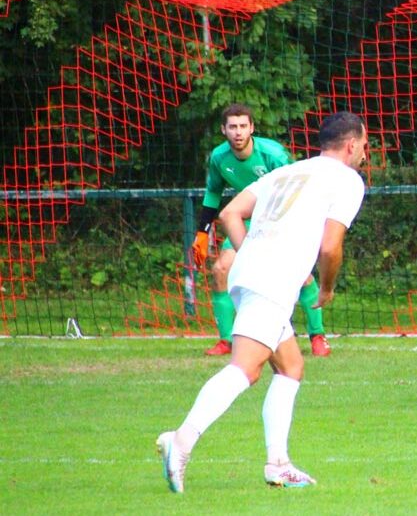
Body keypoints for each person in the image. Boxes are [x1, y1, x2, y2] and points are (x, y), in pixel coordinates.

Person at [157, 112, 368, 493]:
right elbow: (330, 246)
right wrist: (326, 287)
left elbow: (230, 213)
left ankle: (278, 464)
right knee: (245, 369)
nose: (365, 154)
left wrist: (252, 253)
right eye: (364, 146)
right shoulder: (348, 180)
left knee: (290, 367)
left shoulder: (290, 170)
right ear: (352, 145)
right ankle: (182, 441)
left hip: (250, 273)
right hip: (272, 279)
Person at [191, 104, 331, 357]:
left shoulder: (273, 155)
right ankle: (227, 340)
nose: (238, 132)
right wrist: (202, 232)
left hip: (279, 220)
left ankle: (317, 335)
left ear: (252, 128)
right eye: (232, 127)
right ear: (223, 130)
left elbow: (298, 186)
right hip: (244, 221)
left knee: (300, 275)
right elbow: (213, 192)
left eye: (243, 126)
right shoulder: (219, 157)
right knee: (221, 269)